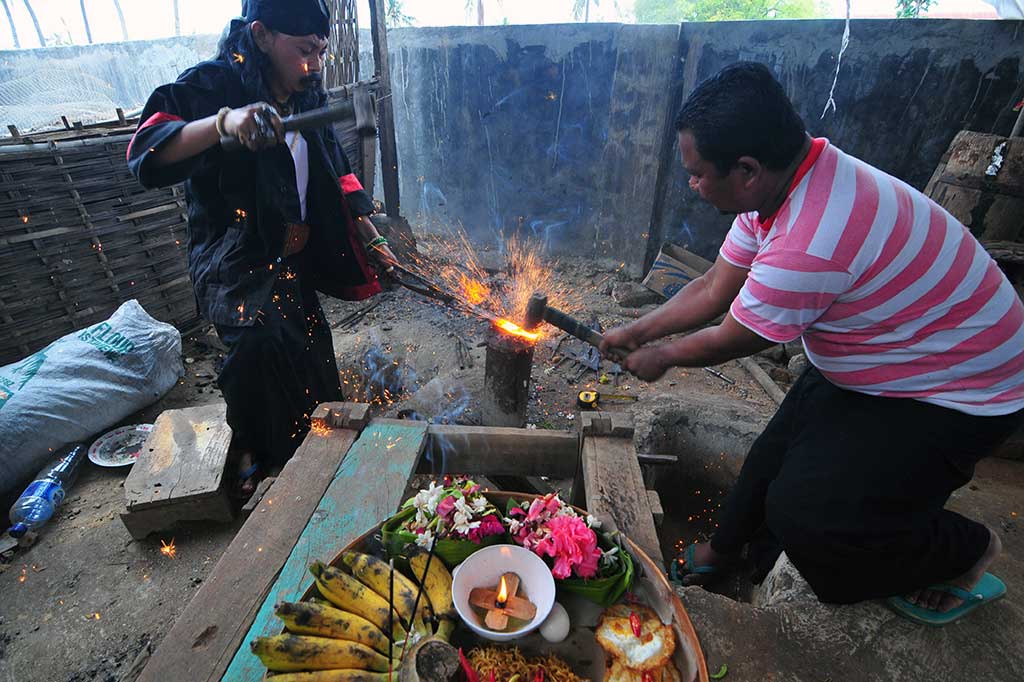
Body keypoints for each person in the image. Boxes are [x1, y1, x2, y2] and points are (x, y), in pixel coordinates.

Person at [602, 62, 1024, 625]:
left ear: (746, 170)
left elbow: (736, 335)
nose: (692, 184)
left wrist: (662, 356)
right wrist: (638, 331)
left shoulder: (811, 238)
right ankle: (726, 550)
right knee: (773, 454)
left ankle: (966, 549)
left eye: (698, 174)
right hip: (897, 347)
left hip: (964, 388)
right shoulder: (783, 183)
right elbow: (713, 287)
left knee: (809, 518)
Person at [127, 0, 397, 495]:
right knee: (258, 356)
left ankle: (321, 466)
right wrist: (224, 123)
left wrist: (372, 237)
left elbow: (337, 170)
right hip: (236, 265)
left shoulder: (306, 92)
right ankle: (263, 476)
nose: (314, 63)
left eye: (320, 51)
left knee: (312, 359)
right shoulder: (213, 84)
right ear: (262, 35)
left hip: (291, 263)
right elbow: (146, 149)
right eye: (304, 50)